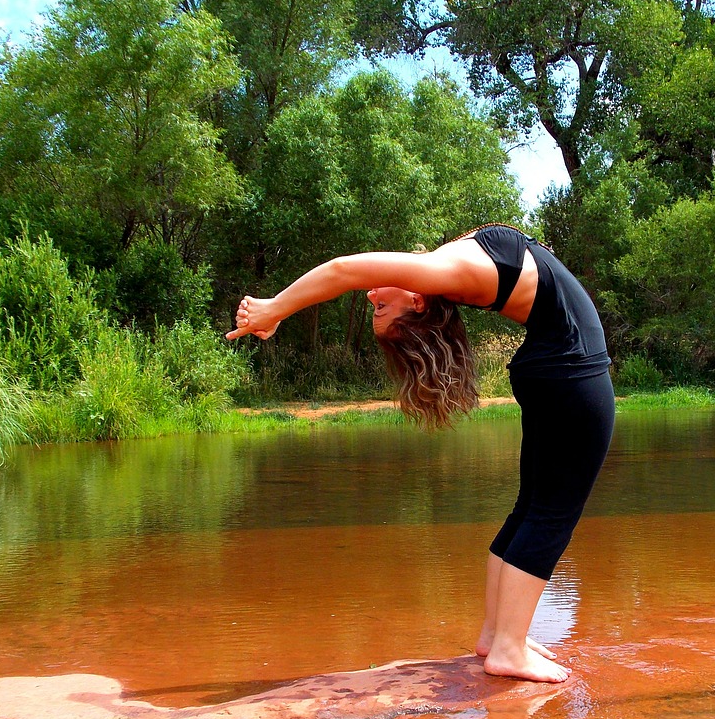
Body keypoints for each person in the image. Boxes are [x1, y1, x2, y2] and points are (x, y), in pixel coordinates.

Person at [226, 224, 614, 683]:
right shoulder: (442, 272)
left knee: (532, 507)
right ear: (417, 301)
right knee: (551, 513)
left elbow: (352, 274)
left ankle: (496, 635)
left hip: (553, 368)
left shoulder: (446, 271)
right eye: (382, 305)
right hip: (573, 371)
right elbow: (343, 270)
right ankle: (508, 648)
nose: (371, 295)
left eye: (376, 306)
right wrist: (275, 309)